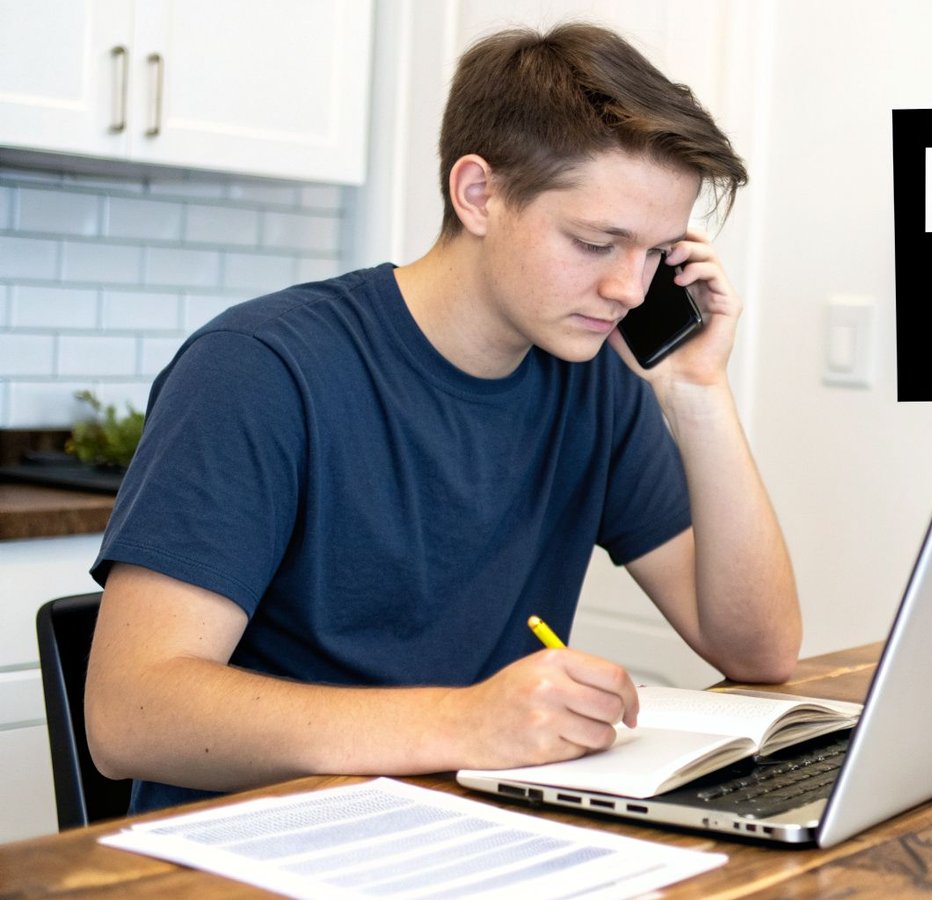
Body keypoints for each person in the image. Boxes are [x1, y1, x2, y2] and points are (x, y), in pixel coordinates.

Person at [83, 24, 801, 815]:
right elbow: (129, 717)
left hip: (462, 830)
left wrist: (698, 392)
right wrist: (463, 721)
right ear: (478, 194)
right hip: (255, 843)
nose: (631, 291)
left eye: (657, 254)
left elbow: (757, 650)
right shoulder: (257, 369)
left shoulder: (594, 378)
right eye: (598, 242)